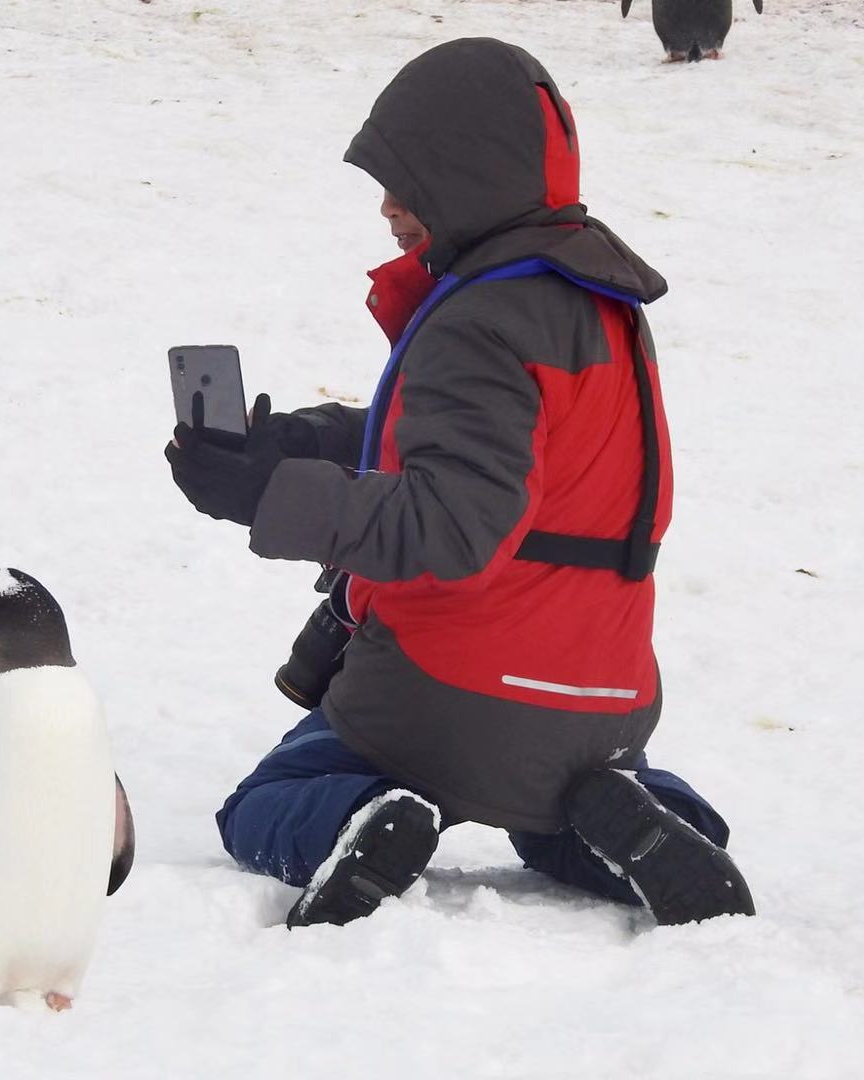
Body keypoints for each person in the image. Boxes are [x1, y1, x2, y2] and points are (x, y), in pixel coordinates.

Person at [164, 38, 755, 929]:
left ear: (470, 175)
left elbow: (452, 520)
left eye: (408, 180)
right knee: (557, 815)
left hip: (450, 696)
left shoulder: (476, 320)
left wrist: (264, 496)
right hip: (606, 704)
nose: (389, 207)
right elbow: (486, 455)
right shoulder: (593, 302)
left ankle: (364, 819)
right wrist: (291, 445)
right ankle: (651, 818)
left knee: (265, 801)